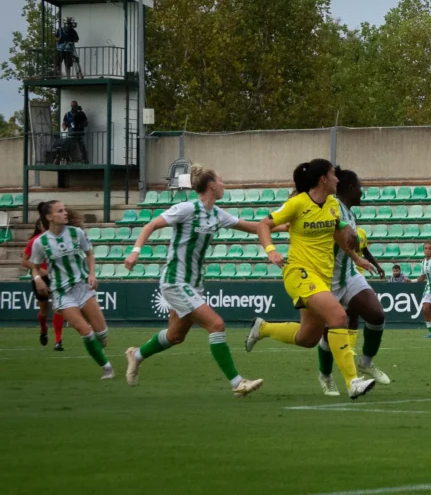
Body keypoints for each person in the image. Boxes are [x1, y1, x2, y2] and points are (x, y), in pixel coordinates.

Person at [122, 165, 265, 397]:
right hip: (175, 281)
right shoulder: (186, 209)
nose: (223, 183)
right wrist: (135, 252)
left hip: (193, 284)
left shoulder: (217, 213)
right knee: (216, 325)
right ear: (211, 185)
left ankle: (136, 355)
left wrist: (283, 226)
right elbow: (151, 225)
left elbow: (252, 227)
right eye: (221, 179)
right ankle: (238, 382)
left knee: (175, 336)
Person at [244, 159, 377, 400]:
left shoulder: (333, 204)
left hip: (322, 276)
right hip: (299, 272)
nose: (338, 179)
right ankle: (353, 382)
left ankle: (262, 328)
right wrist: (271, 250)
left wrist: (355, 257)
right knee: (338, 316)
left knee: (308, 338)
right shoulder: (297, 203)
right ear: (323, 179)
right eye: (333, 175)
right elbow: (264, 224)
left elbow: (337, 232)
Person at [315, 168, 391, 396]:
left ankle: (366, 363)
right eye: (359, 186)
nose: (362, 191)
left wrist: (361, 257)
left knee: (376, 314)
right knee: (328, 333)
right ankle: (326, 376)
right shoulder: (333, 207)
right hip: (327, 279)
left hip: (348, 274)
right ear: (349, 188)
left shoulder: (350, 213)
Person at [26, 200, 113, 379]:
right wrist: (37, 278)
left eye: (65, 210)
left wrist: (92, 274)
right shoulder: (40, 242)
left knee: (102, 335)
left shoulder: (77, 233)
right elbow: (33, 266)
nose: (65, 213)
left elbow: (89, 254)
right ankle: (107, 368)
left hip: (82, 287)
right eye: (60, 211)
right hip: (61, 292)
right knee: (85, 331)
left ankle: (100, 347)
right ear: (49, 217)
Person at [22, 218, 63, 351]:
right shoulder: (35, 241)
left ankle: (58, 341)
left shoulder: (59, 239)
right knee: (44, 312)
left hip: (56, 277)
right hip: (40, 278)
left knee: (58, 308)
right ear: (40, 226)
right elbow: (24, 261)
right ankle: (43, 328)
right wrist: (40, 270)